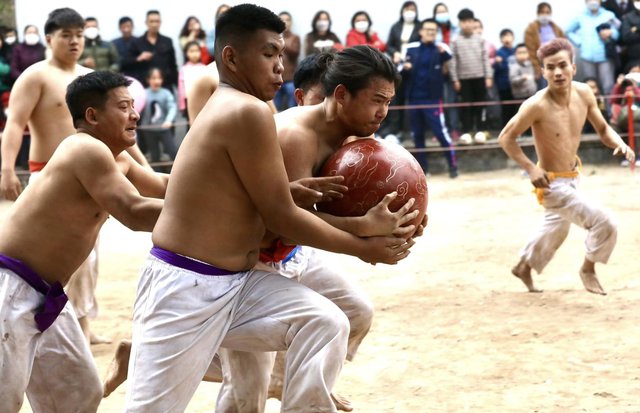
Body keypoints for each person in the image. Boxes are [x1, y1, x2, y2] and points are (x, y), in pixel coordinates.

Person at [123, 5, 414, 411]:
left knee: (328, 321)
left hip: (240, 282)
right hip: (185, 285)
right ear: (231, 58)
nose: (280, 67)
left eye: (281, 55)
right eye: (268, 54)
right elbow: (282, 219)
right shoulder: (248, 110)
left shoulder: (243, 109)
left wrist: (292, 193)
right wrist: (363, 241)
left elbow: (259, 201)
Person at [0, 69, 167, 413]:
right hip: (9, 288)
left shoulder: (116, 158)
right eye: (124, 107)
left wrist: (239, 187)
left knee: (78, 393)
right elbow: (134, 211)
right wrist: (221, 214)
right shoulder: (83, 149)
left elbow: (165, 186)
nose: (135, 114)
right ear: (92, 116)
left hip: (46, 296)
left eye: (133, 105)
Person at [0, 8, 149, 344]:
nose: (74, 41)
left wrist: (147, 170)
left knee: (87, 255)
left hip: (98, 177)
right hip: (49, 176)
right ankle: (67, 329)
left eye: (79, 34)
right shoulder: (35, 76)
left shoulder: (93, 80)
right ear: (49, 38)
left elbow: (123, 139)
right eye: (66, 34)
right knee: (57, 253)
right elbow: (14, 124)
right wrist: (7, 168)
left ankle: (79, 324)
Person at [498, 38, 634, 295]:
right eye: (551, 67)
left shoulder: (584, 93)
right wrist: (531, 168)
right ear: (543, 72)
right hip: (550, 183)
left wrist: (620, 143)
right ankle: (588, 268)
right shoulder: (536, 104)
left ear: (573, 67)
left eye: (562, 65)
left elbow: (604, 129)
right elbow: (506, 137)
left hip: (573, 176)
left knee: (556, 229)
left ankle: (524, 266)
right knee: (605, 223)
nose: (557, 72)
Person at [403, 18, 458, 177]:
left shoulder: (440, 49)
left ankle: (453, 167)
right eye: (428, 30)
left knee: (441, 134)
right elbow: (400, 70)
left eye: (434, 30)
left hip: (433, 100)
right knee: (417, 135)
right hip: (413, 99)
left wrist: (443, 51)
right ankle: (423, 170)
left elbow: (449, 56)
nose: (430, 33)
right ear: (421, 31)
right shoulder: (411, 49)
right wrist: (405, 68)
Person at [450, 8, 493, 145]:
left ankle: (481, 130)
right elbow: (452, 61)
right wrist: (455, 79)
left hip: (480, 77)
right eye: (464, 22)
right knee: (466, 106)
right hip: (463, 79)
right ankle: (467, 132)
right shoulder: (455, 41)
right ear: (459, 23)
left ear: (474, 22)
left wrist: (488, 76)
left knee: (481, 105)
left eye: (469, 21)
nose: (467, 24)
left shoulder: (480, 40)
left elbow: (485, 59)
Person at [379, 1, 420, 143]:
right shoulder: (396, 27)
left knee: (413, 99)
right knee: (396, 99)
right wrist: (395, 53)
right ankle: (395, 130)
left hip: (414, 68)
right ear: (402, 11)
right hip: (397, 68)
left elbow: (422, 46)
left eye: (412, 9)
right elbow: (388, 45)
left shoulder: (420, 27)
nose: (410, 12)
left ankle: (413, 131)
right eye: (407, 9)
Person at [566, 0, 619, 98]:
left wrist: (611, 33)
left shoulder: (608, 15)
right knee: (589, 87)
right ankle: (590, 111)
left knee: (608, 86)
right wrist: (580, 42)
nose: (593, 2)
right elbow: (568, 31)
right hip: (587, 56)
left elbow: (618, 32)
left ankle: (609, 112)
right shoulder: (580, 16)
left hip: (605, 56)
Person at [126, 10, 178, 89]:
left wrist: (177, 85)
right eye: (151, 21)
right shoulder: (137, 42)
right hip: (144, 86)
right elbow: (125, 62)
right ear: (146, 23)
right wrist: (139, 58)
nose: (154, 24)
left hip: (165, 85)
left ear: (160, 23)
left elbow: (173, 65)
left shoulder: (167, 41)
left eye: (157, 21)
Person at [138, 67, 178, 165]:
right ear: (148, 80)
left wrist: (169, 120)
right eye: (153, 78)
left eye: (159, 78)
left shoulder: (166, 93)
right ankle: (157, 175)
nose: (156, 81)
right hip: (148, 129)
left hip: (164, 128)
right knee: (154, 155)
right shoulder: (143, 94)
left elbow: (172, 107)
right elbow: (138, 108)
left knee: (173, 152)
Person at [524, 2, 566, 90]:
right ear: (538, 13)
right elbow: (530, 50)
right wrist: (537, 67)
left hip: (557, 62)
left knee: (558, 88)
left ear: (550, 14)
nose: (545, 15)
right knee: (543, 90)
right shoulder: (531, 29)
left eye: (547, 12)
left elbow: (564, 45)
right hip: (541, 64)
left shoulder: (556, 28)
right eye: (542, 12)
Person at [272, 11, 300, 111]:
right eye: (282, 19)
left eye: (287, 20)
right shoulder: (272, 37)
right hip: (274, 77)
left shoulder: (295, 38)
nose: (285, 22)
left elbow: (295, 54)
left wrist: (281, 39)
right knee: (274, 106)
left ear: (291, 22)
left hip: (290, 79)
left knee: (292, 104)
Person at [178, 41, 207, 119]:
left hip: (203, 99)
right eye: (191, 51)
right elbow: (181, 88)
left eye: (197, 51)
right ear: (186, 53)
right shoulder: (184, 69)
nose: (194, 54)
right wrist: (182, 105)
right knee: (190, 123)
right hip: (188, 100)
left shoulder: (204, 68)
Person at [495, 29, 517, 129]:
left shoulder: (516, 51)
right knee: (506, 108)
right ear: (501, 40)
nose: (506, 38)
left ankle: (518, 128)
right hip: (504, 85)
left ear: (513, 38)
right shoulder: (499, 52)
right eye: (504, 36)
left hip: (517, 85)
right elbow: (498, 70)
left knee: (516, 107)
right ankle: (507, 128)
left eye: (509, 36)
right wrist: (498, 63)